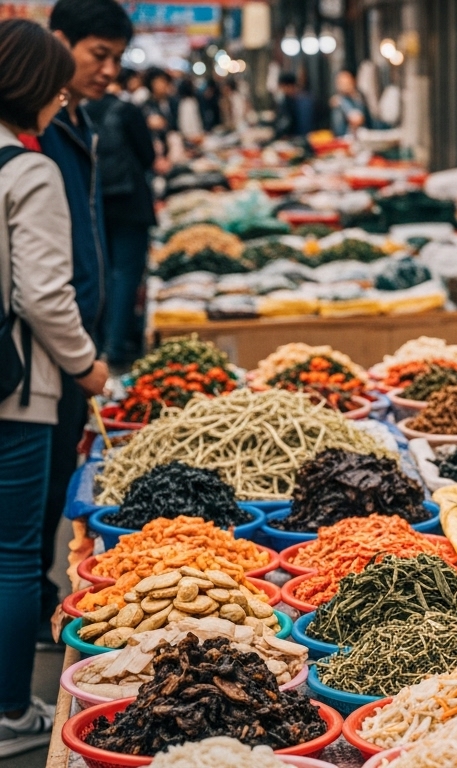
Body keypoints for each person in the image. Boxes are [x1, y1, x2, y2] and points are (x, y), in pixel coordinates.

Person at [0, 18, 108, 757]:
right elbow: (43, 294)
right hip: (15, 387)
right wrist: (86, 365)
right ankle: (12, 710)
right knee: (14, 555)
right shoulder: (28, 169)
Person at [40, 0, 131, 629]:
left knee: (51, 486)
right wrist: (79, 356)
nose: (109, 71)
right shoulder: (37, 131)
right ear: (58, 43)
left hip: (74, 337)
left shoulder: (78, 120)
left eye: (116, 58)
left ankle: (35, 605)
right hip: (49, 351)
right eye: (98, 55)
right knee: (33, 501)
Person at [87, 78, 156, 366]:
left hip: (96, 204)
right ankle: (116, 346)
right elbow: (148, 156)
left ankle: (103, 342)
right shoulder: (126, 110)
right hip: (130, 203)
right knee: (126, 274)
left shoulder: (81, 113)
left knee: (104, 273)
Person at [275, 72, 314, 139]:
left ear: (290, 86)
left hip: (302, 138)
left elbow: (304, 127)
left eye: (282, 87)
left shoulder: (304, 102)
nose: (282, 90)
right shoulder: (287, 99)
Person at [330, 70, 367, 136]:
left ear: (353, 81)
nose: (345, 85)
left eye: (347, 82)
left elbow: (362, 119)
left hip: (364, 132)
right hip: (345, 135)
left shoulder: (360, 97)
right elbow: (339, 129)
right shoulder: (337, 102)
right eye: (341, 83)